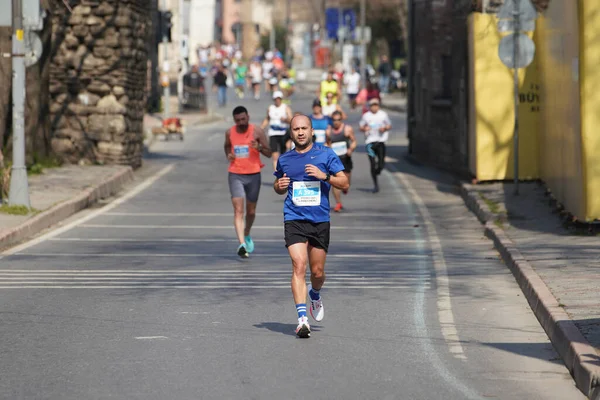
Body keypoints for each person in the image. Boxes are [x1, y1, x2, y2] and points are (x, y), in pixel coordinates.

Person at [273, 114, 350, 338]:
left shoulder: (325, 154)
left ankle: (314, 293)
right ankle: (302, 320)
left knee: (317, 272)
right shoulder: (285, 159)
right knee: (299, 265)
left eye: (304, 128)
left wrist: (324, 176)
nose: (300, 132)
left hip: (319, 220)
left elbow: (344, 182)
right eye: (296, 129)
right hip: (294, 217)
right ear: (291, 132)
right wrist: (279, 185)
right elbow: (278, 186)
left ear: (311, 131)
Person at [224, 106, 273, 258]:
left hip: (253, 174)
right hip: (235, 174)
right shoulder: (229, 132)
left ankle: (247, 233)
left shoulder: (257, 131)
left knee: (250, 211)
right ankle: (242, 244)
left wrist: (258, 147)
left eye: (243, 119)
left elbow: (269, 153)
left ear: (248, 117)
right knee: (238, 210)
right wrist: (229, 155)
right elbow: (226, 146)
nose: (241, 122)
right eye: (238, 120)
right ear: (234, 120)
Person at [326, 110, 357, 212]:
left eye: (338, 120)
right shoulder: (329, 131)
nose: (336, 122)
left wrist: (350, 149)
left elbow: (354, 141)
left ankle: (345, 189)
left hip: (345, 158)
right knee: (335, 182)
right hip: (334, 161)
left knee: (346, 183)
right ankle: (338, 203)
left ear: (341, 120)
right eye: (334, 120)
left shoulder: (347, 129)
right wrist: (328, 149)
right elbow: (327, 144)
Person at [359, 98, 392, 193]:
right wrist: (365, 128)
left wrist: (384, 128)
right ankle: (376, 185)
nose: (374, 107)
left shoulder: (383, 115)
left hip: (381, 141)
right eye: (372, 105)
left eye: (376, 105)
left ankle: (378, 171)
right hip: (370, 142)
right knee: (372, 164)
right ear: (370, 106)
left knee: (381, 164)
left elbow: (389, 125)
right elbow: (361, 127)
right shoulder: (366, 116)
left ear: (378, 106)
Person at [261, 90, 293, 170]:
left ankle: (284, 171)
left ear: (281, 99)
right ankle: (277, 175)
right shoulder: (270, 108)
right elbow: (267, 119)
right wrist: (261, 128)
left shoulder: (286, 108)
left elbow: (292, 121)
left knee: (283, 154)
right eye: (276, 99)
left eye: (279, 99)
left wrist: (285, 119)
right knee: (275, 155)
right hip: (273, 133)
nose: (277, 100)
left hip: (283, 133)